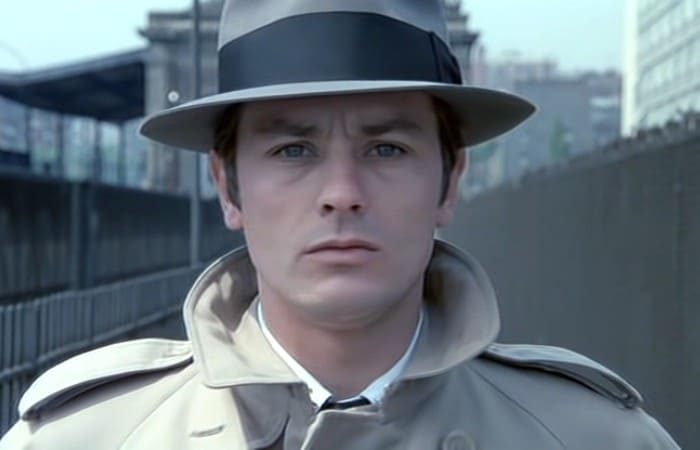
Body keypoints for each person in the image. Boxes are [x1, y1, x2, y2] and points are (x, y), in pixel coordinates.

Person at [0, 1, 679, 449]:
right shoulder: (81, 436)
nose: (342, 195)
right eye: (293, 150)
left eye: (387, 149)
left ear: (451, 179)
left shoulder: (600, 439)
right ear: (227, 186)